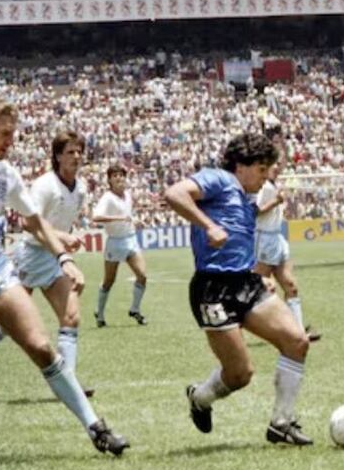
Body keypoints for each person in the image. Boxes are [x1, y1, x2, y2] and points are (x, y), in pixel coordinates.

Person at [0, 98, 128, 455]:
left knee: (41, 346)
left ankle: (96, 427)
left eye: (13, 134)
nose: (10, 142)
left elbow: (35, 222)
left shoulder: (5, 173)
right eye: (4, 134)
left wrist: (64, 257)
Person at [165, 133, 313, 446]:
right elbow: (175, 193)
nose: (265, 176)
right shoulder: (218, 179)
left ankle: (281, 423)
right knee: (240, 375)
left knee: (297, 342)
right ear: (240, 166)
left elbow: (240, 241)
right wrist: (208, 226)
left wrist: (258, 274)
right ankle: (200, 398)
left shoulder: (246, 199)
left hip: (246, 283)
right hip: (212, 290)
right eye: (261, 169)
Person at [253, 162, 320, 341]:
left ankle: (297, 333)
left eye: (277, 164)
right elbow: (254, 211)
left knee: (291, 286)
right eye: (272, 164)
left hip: (277, 237)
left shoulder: (273, 185)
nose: (276, 167)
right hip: (264, 238)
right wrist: (276, 201)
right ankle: (236, 325)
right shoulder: (263, 187)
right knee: (260, 289)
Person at [92, 165, 148, 327]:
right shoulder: (107, 197)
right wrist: (118, 218)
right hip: (115, 242)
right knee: (109, 281)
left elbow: (128, 216)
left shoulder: (128, 195)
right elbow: (96, 217)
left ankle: (135, 309)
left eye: (121, 175)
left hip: (130, 239)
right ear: (109, 180)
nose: (119, 178)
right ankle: (100, 314)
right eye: (115, 176)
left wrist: (136, 221)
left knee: (142, 275)